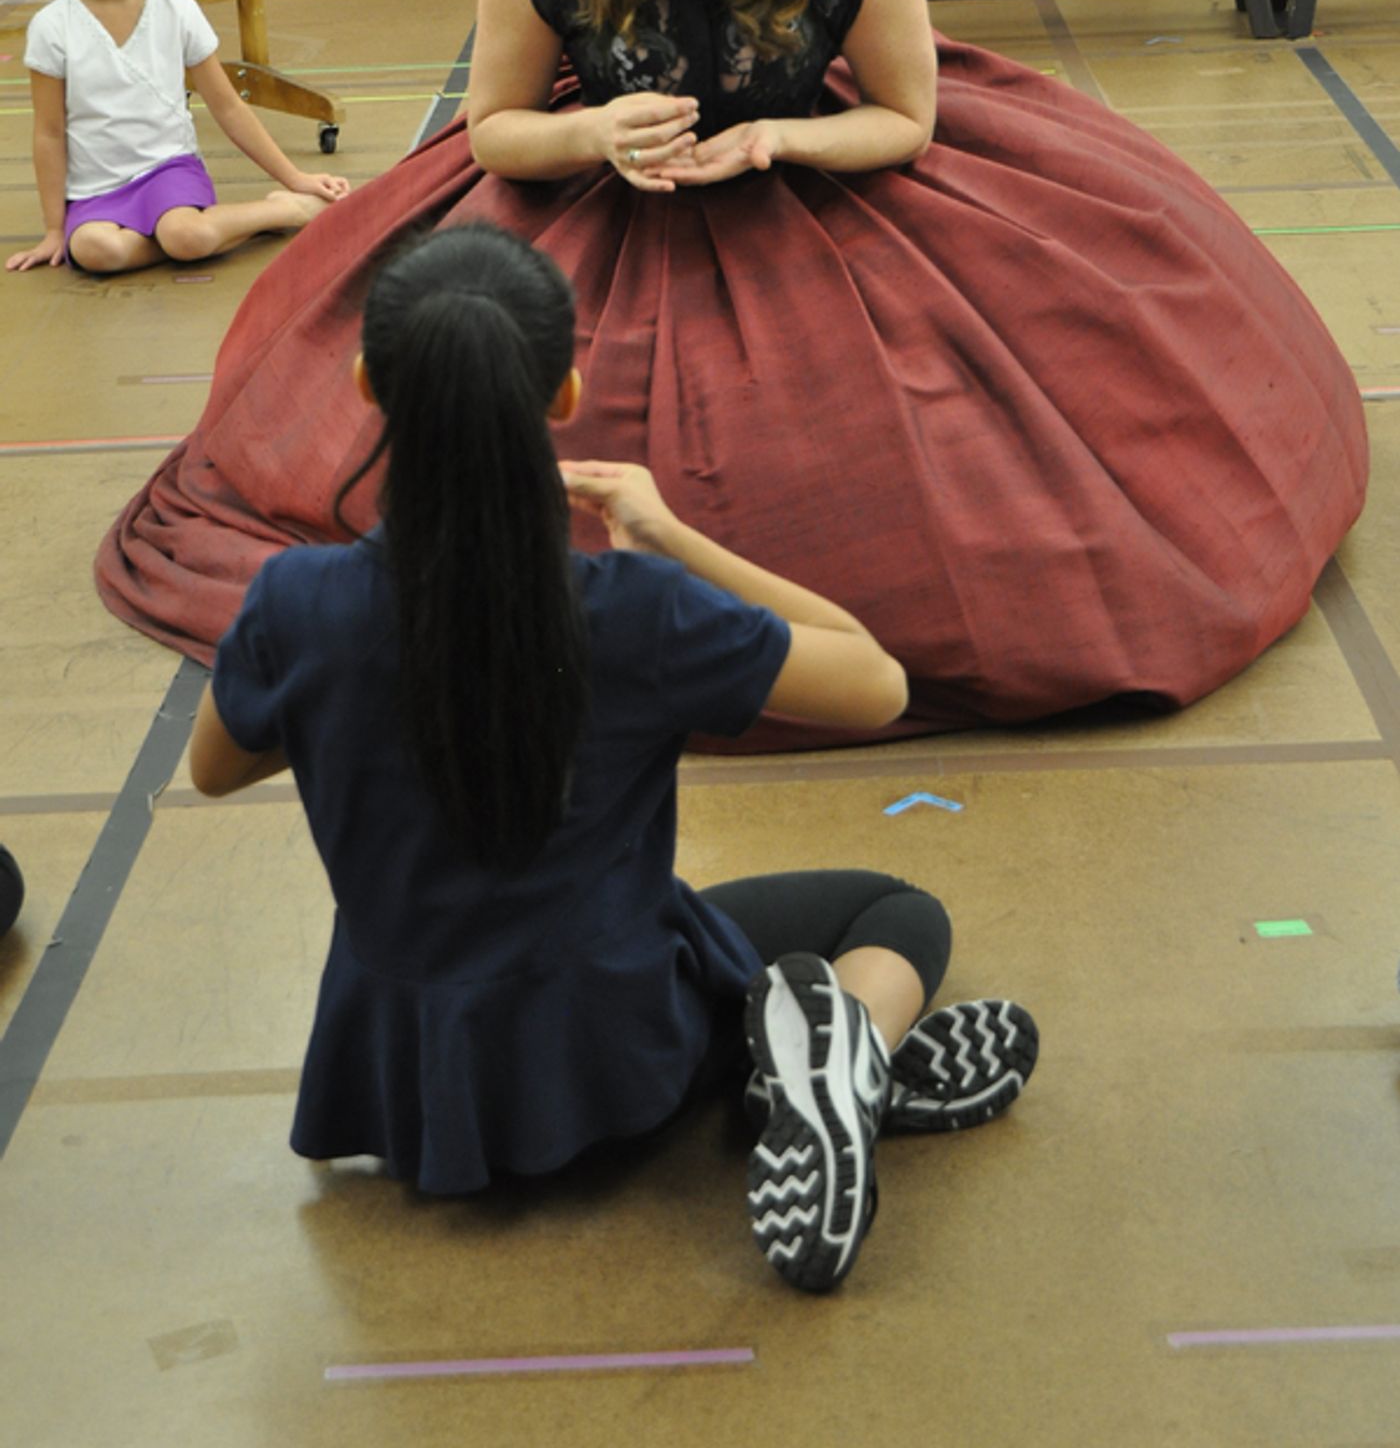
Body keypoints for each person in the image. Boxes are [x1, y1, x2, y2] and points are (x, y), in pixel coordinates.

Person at [98, 0, 1367, 748]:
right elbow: (491, 130)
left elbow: (906, 119)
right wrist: (593, 126)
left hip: (812, 198)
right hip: (594, 220)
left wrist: (777, 140)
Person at [188, 223, 1037, 1291]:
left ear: (368, 383)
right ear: (564, 394)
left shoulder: (294, 603)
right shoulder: (636, 612)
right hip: (617, 1057)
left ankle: (822, 1073)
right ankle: (837, 1066)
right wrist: (671, 535)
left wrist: (349, 693)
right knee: (894, 914)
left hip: (411, 1073)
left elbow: (214, 767)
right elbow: (876, 679)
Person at [6, 0, 349, 276]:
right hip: (96, 187)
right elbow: (50, 134)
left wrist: (294, 179)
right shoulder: (52, 27)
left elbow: (227, 106)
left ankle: (282, 210)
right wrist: (55, 229)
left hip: (169, 170)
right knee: (93, 251)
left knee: (187, 235)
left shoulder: (178, 12)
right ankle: (196, 232)